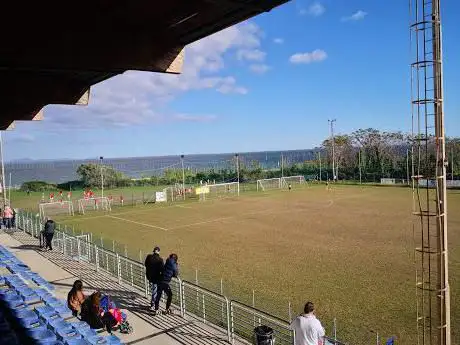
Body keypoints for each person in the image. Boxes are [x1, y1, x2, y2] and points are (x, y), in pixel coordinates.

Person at [144, 246, 164, 311]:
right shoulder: (160, 260)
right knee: (155, 292)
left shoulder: (149, 257)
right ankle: (153, 305)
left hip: (149, 277)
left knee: (153, 290)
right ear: (158, 252)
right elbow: (162, 270)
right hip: (156, 278)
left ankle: (153, 304)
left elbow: (146, 264)